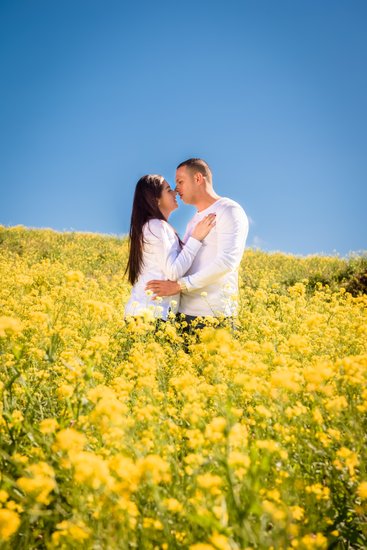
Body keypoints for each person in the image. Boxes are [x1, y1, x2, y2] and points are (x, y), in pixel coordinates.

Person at [146, 159, 249, 325]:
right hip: (183, 314)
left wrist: (180, 286)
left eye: (180, 182)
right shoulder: (193, 220)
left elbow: (227, 262)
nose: (176, 189)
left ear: (198, 178)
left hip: (214, 315)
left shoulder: (229, 210)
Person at [124, 174, 216, 320]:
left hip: (149, 314)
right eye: (168, 190)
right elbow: (173, 272)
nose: (175, 192)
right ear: (156, 199)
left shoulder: (154, 226)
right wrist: (196, 238)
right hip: (150, 316)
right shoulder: (157, 226)